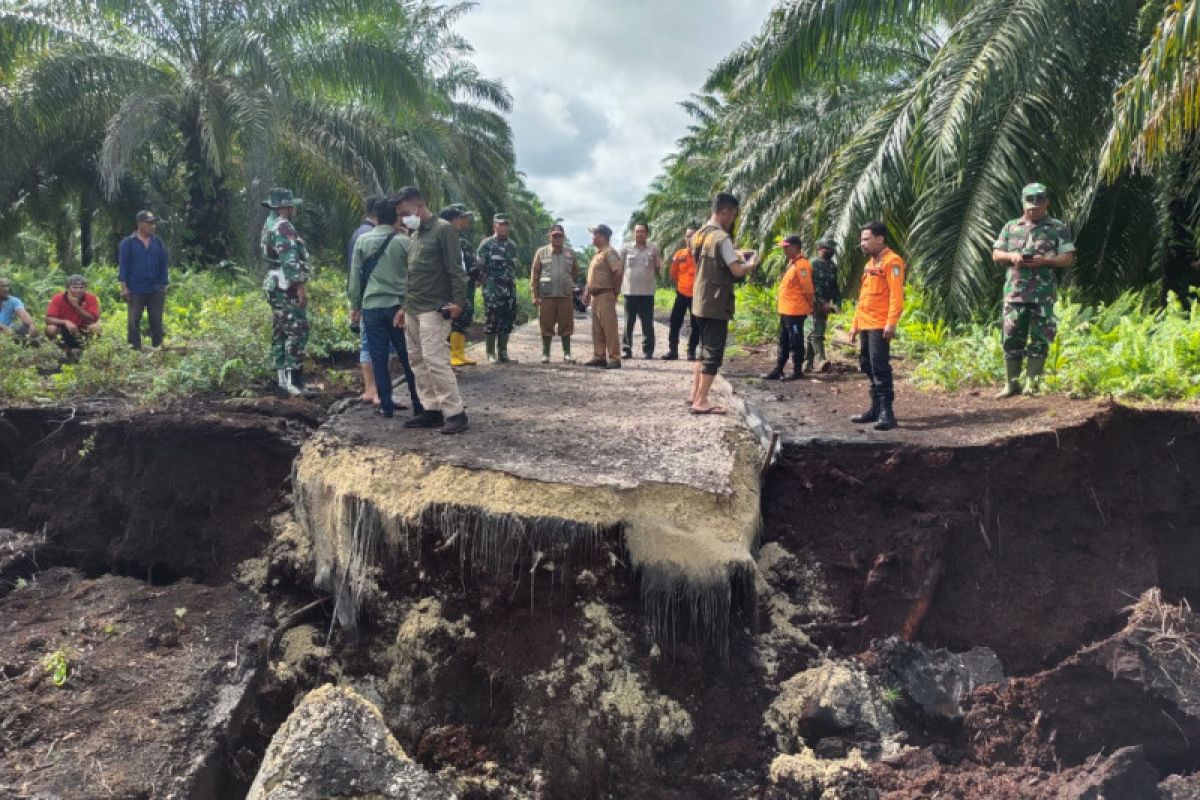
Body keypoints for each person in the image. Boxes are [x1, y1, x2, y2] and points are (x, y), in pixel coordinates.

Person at [391, 186, 470, 434]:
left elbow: (456, 269)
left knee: (435, 360)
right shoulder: (414, 236)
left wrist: (459, 303)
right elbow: (412, 274)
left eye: (405, 213)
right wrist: (404, 306)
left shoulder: (443, 230)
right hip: (414, 307)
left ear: (418, 207)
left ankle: (455, 412)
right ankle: (431, 409)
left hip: (434, 308)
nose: (403, 219)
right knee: (416, 360)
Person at [991, 182, 1076, 398]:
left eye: (1037, 206)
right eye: (1029, 205)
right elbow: (996, 254)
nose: (1033, 209)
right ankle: (1011, 384)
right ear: (1023, 203)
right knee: (1011, 337)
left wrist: (1045, 261)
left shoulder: (1057, 228)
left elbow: (1067, 258)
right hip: (1015, 292)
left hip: (1042, 294)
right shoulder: (1011, 227)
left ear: (1046, 204)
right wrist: (1013, 257)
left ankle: (1032, 384)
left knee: (1040, 338)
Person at [348, 200, 424, 419]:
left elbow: (355, 277)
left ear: (377, 218)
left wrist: (355, 305)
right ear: (396, 218)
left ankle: (386, 405)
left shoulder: (363, 240)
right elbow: (415, 271)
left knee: (378, 357)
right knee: (407, 355)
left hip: (371, 307)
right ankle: (418, 404)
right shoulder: (404, 242)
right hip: (398, 308)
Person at [689, 193, 759, 414]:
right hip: (716, 301)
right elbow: (736, 270)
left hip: (699, 299)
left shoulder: (699, 235)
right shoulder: (722, 238)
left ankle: (694, 394)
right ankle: (701, 401)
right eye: (733, 215)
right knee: (713, 353)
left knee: (702, 350)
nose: (733, 220)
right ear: (726, 211)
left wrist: (734, 254)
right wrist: (751, 264)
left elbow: (705, 259)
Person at [849, 221, 906, 431]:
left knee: (880, 367)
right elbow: (863, 297)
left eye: (866, 239)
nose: (862, 243)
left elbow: (896, 296)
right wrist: (855, 325)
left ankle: (886, 413)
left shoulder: (893, 262)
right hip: (865, 323)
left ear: (880, 239)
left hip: (880, 324)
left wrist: (891, 322)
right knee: (867, 365)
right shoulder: (870, 264)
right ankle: (874, 409)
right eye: (861, 239)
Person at [261, 188, 313, 397]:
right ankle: (294, 382)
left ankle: (282, 380)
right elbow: (289, 260)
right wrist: (299, 285)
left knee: (280, 332)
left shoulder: (269, 224)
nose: (293, 209)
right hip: (285, 285)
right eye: (291, 205)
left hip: (274, 283)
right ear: (284, 206)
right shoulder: (283, 226)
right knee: (297, 330)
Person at [349, 194, 389, 404]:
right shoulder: (368, 235)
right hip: (371, 300)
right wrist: (356, 303)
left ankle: (374, 389)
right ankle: (371, 389)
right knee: (371, 344)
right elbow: (357, 272)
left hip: (367, 298)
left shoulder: (361, 233)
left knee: (373, 343)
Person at [763, 234, 814, 382]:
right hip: (786, 310)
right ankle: (778, 369)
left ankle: (797, 370)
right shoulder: (792, 264)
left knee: (795, 340)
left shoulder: (802, 265)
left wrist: (810, 306)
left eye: (786, 247)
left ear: (795, 247)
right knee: (784, 341)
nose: (784, 250)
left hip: (795, 311)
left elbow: (808, 290)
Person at [118, 210, 169, 350]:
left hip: (156, 288)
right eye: (150, 223)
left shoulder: (158, 242)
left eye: (154, 223)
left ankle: (157, 348)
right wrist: (124, 288)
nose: (153, 226)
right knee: (133, 321)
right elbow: (123, 267)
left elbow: (163, 264)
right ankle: (134, 350)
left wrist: (164, 284)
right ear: (140, 224)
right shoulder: (127, 243)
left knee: (157, 320)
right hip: (135, 288)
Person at [530, 223, 579, 363]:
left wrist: (567, 282)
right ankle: (546, 354)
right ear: (549, 237)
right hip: (547, 296)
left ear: (564, 237)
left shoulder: (570, 253)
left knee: (567, 325)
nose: (557, 238)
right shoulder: (541, 252)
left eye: (560, 236)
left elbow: (575, 271)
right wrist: (534, 295)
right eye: (554, 236)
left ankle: (567, 354)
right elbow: (535, 274)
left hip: (565, 295)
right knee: (546, 325)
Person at [477, 214, 519, 363]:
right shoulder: (486, 244)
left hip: (509, 287)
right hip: (492, 288)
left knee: (507, 319)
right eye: (501, 224)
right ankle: (490, 353)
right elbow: (480, 266)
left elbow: (513, 268)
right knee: (492, 318)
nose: (504, 227)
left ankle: (503, 352)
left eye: (506, 225)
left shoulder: (512, 245)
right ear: (494, 226)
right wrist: (483, 284)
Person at [441, 204, 480, 367]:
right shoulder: (446, 238)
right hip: (452, 286)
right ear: (454, 219)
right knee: (453, 319)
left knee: (464, 316)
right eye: (463, 217)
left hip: (466, 284)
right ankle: (451, 355)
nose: (466, 220)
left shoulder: (461, 239)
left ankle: (459, 353)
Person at [619, 222, 662, 360]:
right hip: (629, 292)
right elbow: (619, 269)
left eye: (642, 231)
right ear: (633, 233)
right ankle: (626, 349)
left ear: (647, 233)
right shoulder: (625, 248)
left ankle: (648, 351)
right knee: (628, 323)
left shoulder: (654, 248)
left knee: (647, 323)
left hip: (647, 292)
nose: (639, 234)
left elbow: (657, 267)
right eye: (637, 231)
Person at [584, 224, 624, 368]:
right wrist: (587, 292)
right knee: (597, 328)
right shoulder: (598, 253)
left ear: (602, 236)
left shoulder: (610, 252)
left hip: (606, 293)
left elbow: (618, 272)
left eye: (595, 234)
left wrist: (615, 291)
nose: (593, 237)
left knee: (609, 327)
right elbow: (593, 276)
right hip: (595, 295)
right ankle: (599, 356)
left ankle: (614, 358)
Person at [663, 227, 700, 361]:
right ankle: (673, 350)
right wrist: (682, 284)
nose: (690, 238)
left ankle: (691, 351)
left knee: (696, 324)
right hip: (682, 293)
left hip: (697, 295)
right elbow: (673, 273)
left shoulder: (702, 255)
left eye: (692, 236)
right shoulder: (679, 254)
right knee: (674, 321)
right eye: (688, 236)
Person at [806, 237, 840, 372]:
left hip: (826, 304)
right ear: (819, 249)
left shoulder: (832, 266)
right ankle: (821, 360)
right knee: (817, 332)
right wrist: (819, 302)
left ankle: (806, 364)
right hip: (814, 303)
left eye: (831, 249)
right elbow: (809, 286)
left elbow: (835, 286)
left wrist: (837, 302)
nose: (828, 251)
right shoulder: (812, 264)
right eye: (826, 248)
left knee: (815, 332)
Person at [45, 274, 102, 349]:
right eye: (75, 287)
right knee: (51, 328)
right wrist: (65, 322)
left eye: (81, 288)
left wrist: (76, 306)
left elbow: (93, 319)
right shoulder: (58, 298)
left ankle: (88, 350)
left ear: (85, 288)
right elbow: (48, 319)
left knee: (96, 327)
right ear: (67, 288)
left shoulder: (91, 298)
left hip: (83, 329)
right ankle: (64, 350)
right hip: (64, 330)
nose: (78, 290)